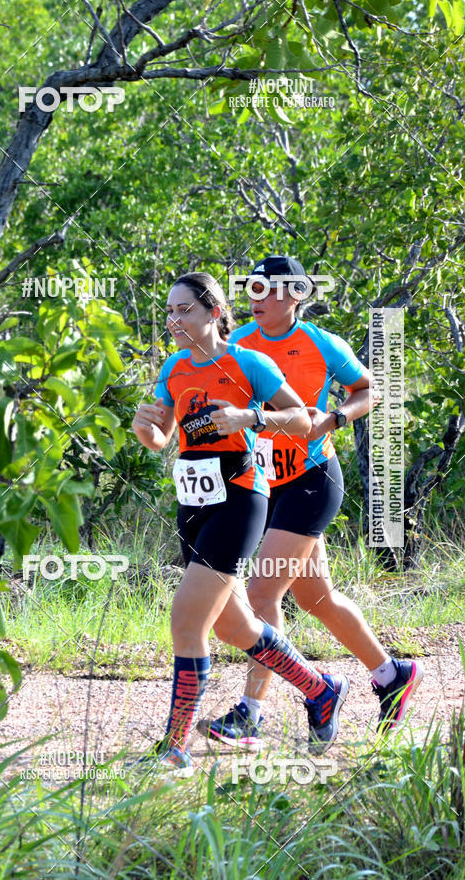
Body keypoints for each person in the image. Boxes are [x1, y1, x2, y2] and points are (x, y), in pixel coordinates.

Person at [199, 255, 423, 752]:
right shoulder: (240, 344)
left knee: (261, 593)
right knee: (316, 599)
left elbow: (368, 389)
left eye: (267, 289)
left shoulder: (322, 344)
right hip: (264, 482)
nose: (255, 297)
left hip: (312, 480)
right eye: (251, 288)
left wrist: (337, 418)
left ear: (296, 294)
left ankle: (252, 713)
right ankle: (391, 675)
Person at [131, 271, 349, 775]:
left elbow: (303, 419)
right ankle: (321, 690)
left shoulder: (248, 362)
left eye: (184, 310)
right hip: (193, 501)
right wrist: (146, 431)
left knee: (187, 621)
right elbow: (163, 438)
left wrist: (251, 418)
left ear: (213, 312)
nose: (174, 320)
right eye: (169, 312)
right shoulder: (173, 367)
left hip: (240, 497)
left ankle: (175, 749)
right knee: (235, 626)